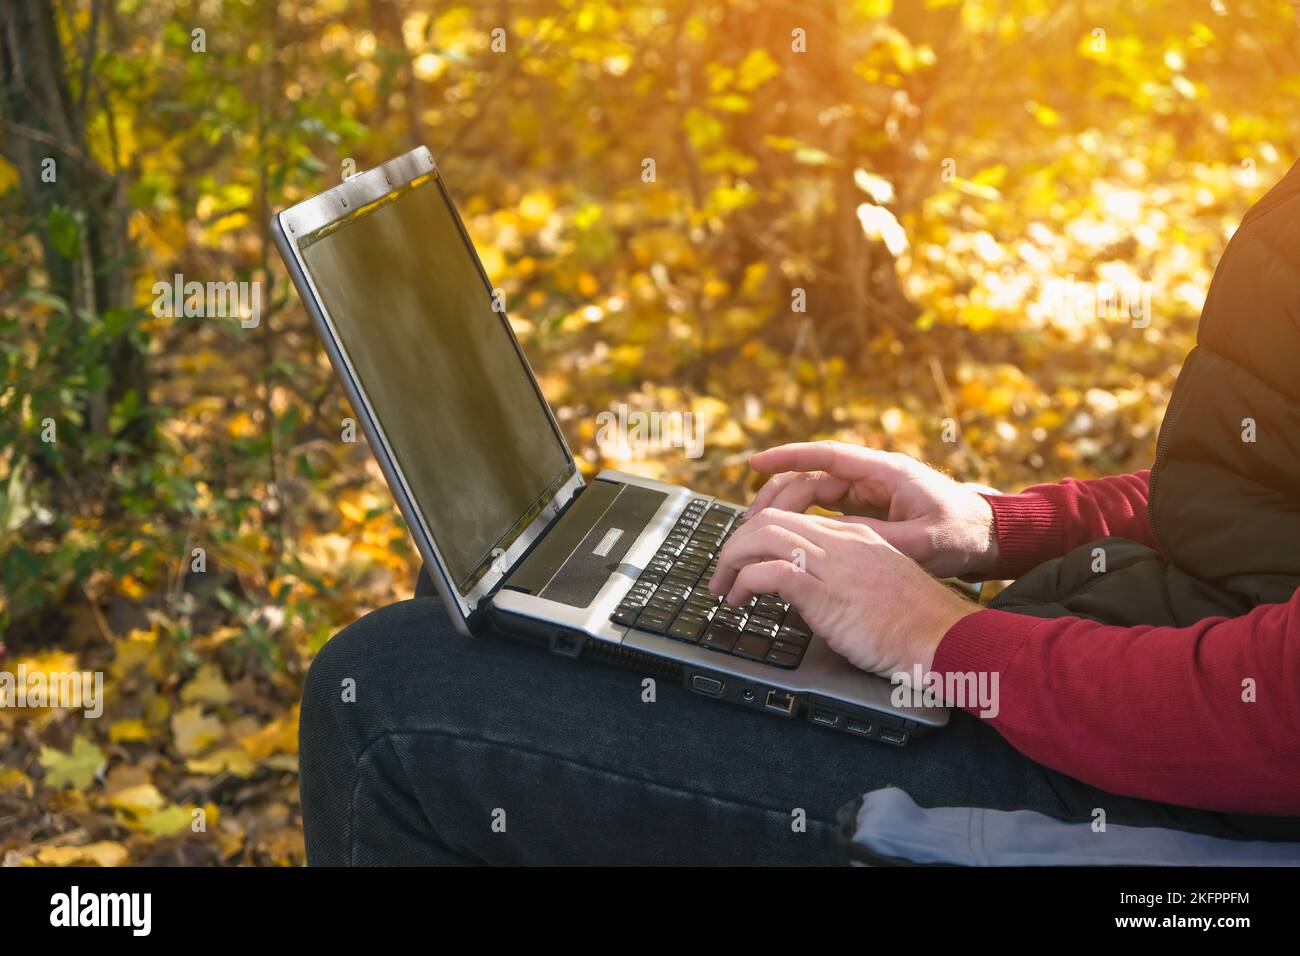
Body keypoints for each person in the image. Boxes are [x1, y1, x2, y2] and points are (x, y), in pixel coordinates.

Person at [298, 154, 1300, 869]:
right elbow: (1255, 495)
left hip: (1171, 809)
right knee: (509, 593)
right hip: (1101, 668)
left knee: (388, 694)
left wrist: (945, 636)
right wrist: (1002, 527)